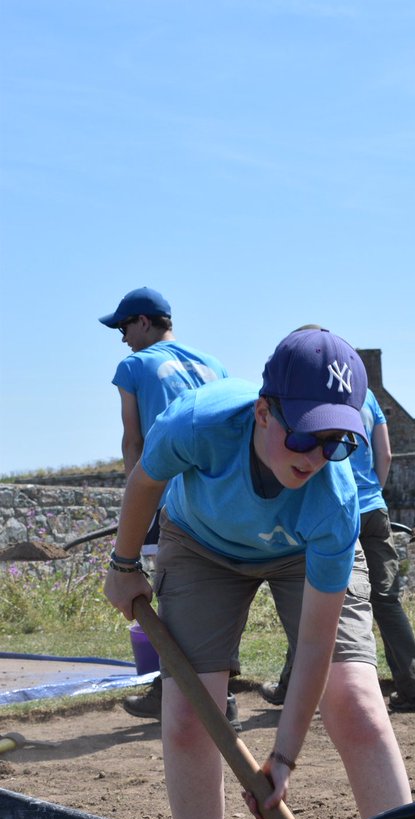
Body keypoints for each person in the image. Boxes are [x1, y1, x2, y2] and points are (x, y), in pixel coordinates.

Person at [102, 326, 415, 819]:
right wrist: (124, 564)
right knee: (190, 715)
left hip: (302, 555)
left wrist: (284, 757)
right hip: (202, 546)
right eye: (303, 435)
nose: (317, 454)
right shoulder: (200, 422)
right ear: (264, 412)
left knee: (355, 701)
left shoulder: (333, 496)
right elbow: (144, 485)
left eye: (337, 439)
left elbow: (317, 644)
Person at [99, 286, 240, 730]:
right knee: (219, 591)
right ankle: (209, 690)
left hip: (169, 496)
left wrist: (136, 501)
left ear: (143, 321)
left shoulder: (135, 365)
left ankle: (188, 693)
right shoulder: (213, 363)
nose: (122, 338)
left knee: (175, 593)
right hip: (222, 495)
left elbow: (133, 440)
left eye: (124, 327)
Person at [260, 387, 415, 712]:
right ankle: (414, 686)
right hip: (373, 507)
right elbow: (386, 454)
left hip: (333, 507)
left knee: (312, 595)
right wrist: (372, 496)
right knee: (386, 601)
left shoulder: (309, 397)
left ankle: (290, 686)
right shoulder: (368, 397)